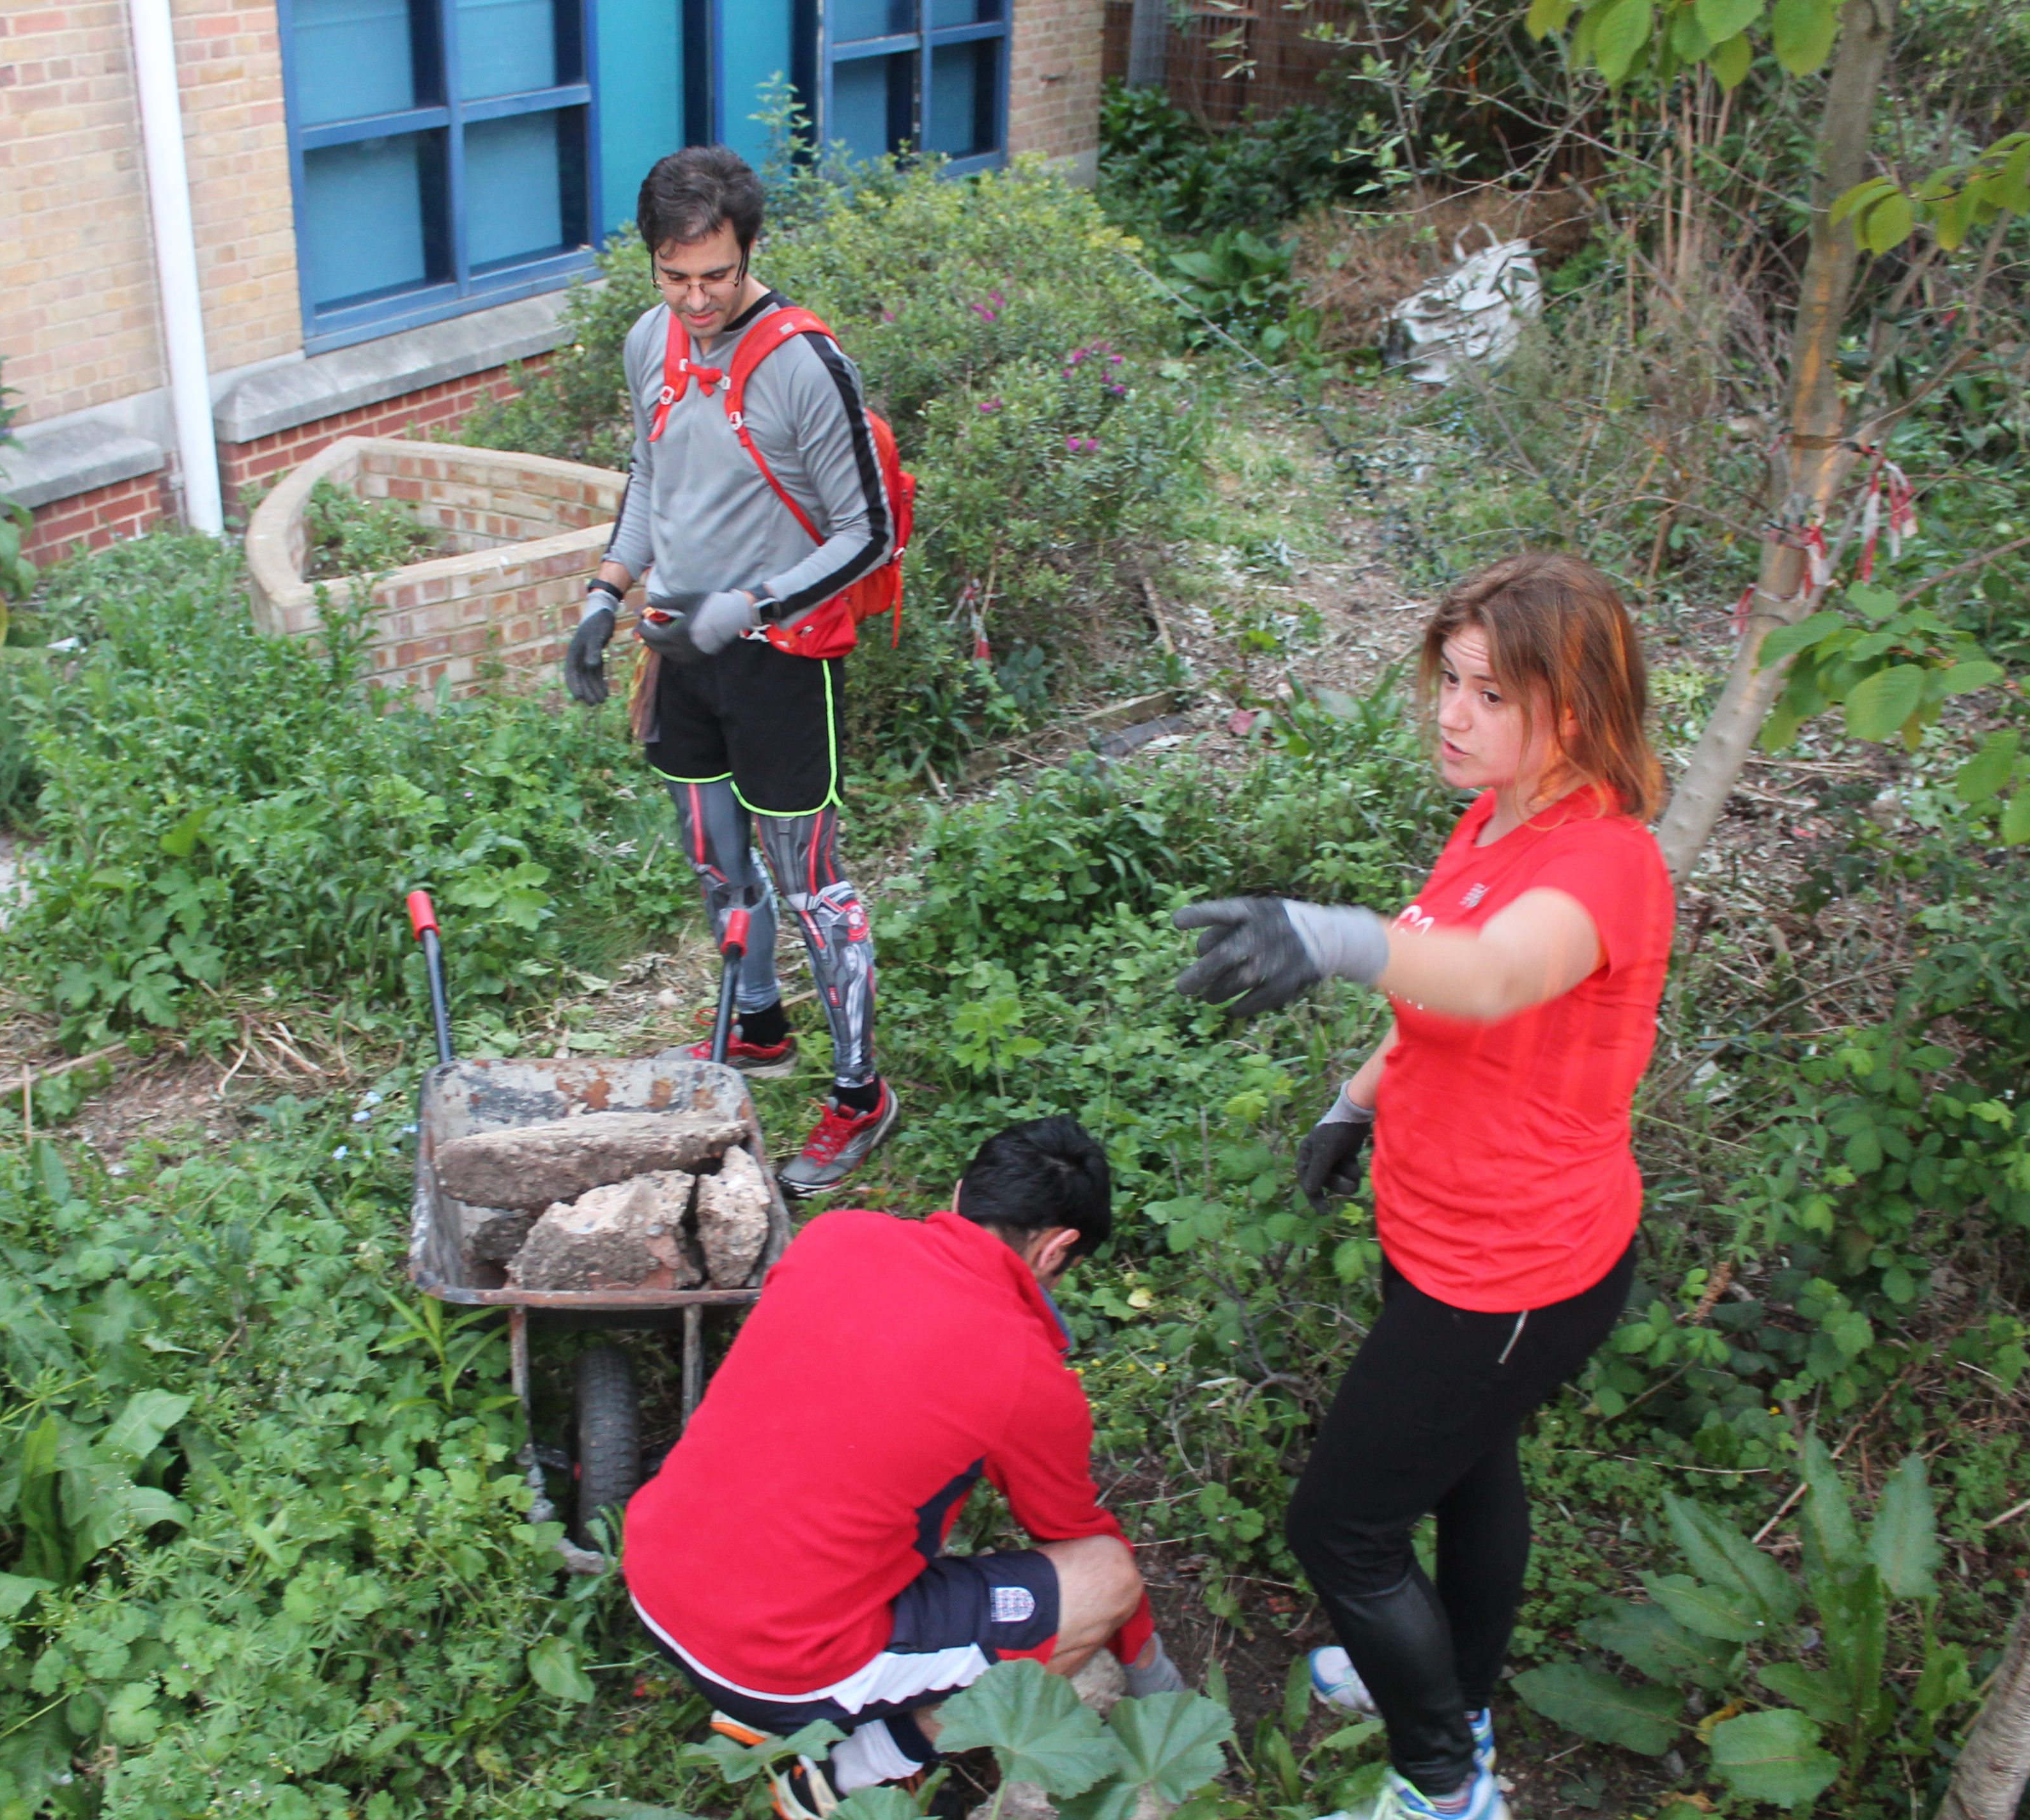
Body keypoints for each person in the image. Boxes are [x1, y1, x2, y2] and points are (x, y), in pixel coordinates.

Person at [1170, 553, 1675, 1820]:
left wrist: (1328, 932)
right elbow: (1442, 996)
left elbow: (1498, 973)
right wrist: (1356, 1102)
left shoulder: (1604, 860)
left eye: (1493, 694)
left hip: (1515, 1269)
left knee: (1338, 1527)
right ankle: (1465, 1692)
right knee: (1471, 1469)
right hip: (1444, 1229)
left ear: (1579, 703)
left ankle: (1446, 1781)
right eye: (1449, 680)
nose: (1453, 715)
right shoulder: (1494, 817)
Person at [622, 1117, 1185, 1819]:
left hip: (654, 1577)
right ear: (1057, 1248)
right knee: (1104, 1578)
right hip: (776, 1656)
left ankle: (775, 1707)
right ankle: (847, 1774)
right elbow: (1073, 1533)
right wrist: (1152, 1675)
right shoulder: (1022, 1370)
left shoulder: (837, 1234)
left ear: (959, 1193)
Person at [561, 144, 900, 1196]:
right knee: (713, 859)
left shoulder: (803, 363)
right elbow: (650, 477)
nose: (698, 299)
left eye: (716, 274)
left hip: (778, 658)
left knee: (812, 885)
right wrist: (605, 592)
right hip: (678, 647)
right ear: (652, 263)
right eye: (675, 277)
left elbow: (870, 530)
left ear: (748, 249)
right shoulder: (647, 344)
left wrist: (745, 607)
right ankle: (756, 1028)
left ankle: (859, 1096)